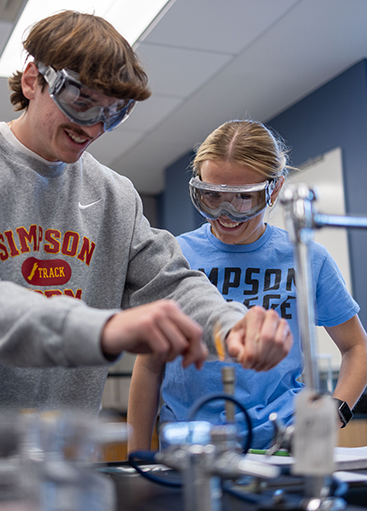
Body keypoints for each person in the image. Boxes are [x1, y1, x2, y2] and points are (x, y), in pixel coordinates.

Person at [0, 14, 292, 414]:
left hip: (66, 456)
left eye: (113, 113)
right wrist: (104, 328)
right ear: (34, 79)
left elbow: (170, 283)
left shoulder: (114, 195)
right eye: (81, 102)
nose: (94, 128)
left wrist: (230, 324)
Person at [127, 120, 367, 451]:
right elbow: (150, 366)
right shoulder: (175, 256)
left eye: (243, 199)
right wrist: (135, 460)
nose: (225, 214)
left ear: (276, 189)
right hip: (191, 448)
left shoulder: (306, 257)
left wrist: (336, 410)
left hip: (283, 444)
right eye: (211, 196)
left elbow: (357, 347)